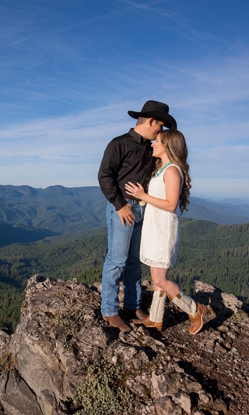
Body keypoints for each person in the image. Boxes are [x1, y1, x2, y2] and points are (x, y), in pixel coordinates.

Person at [97, 100, 175, 333]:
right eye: (161, 127)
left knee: (134, 261)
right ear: (151, 121)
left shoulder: (151, 148)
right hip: (124, 207)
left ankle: (132, 305)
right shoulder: (119, 144)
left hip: (145, 208)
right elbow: (104, 176)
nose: (160, 133)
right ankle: (110, 310)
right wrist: (120, 205)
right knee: (117, 260)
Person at [124, 130, 209, 334]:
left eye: (158, 141)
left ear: (169, 146)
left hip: (163, 229)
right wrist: (145, 197)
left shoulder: (172, 171)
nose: (153, 143)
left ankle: (195, 310)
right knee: (157, 278)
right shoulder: (161, 169)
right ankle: (155, 318)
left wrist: (143, 194)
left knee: (161, 279)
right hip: (155, 226)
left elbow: (171, 205)